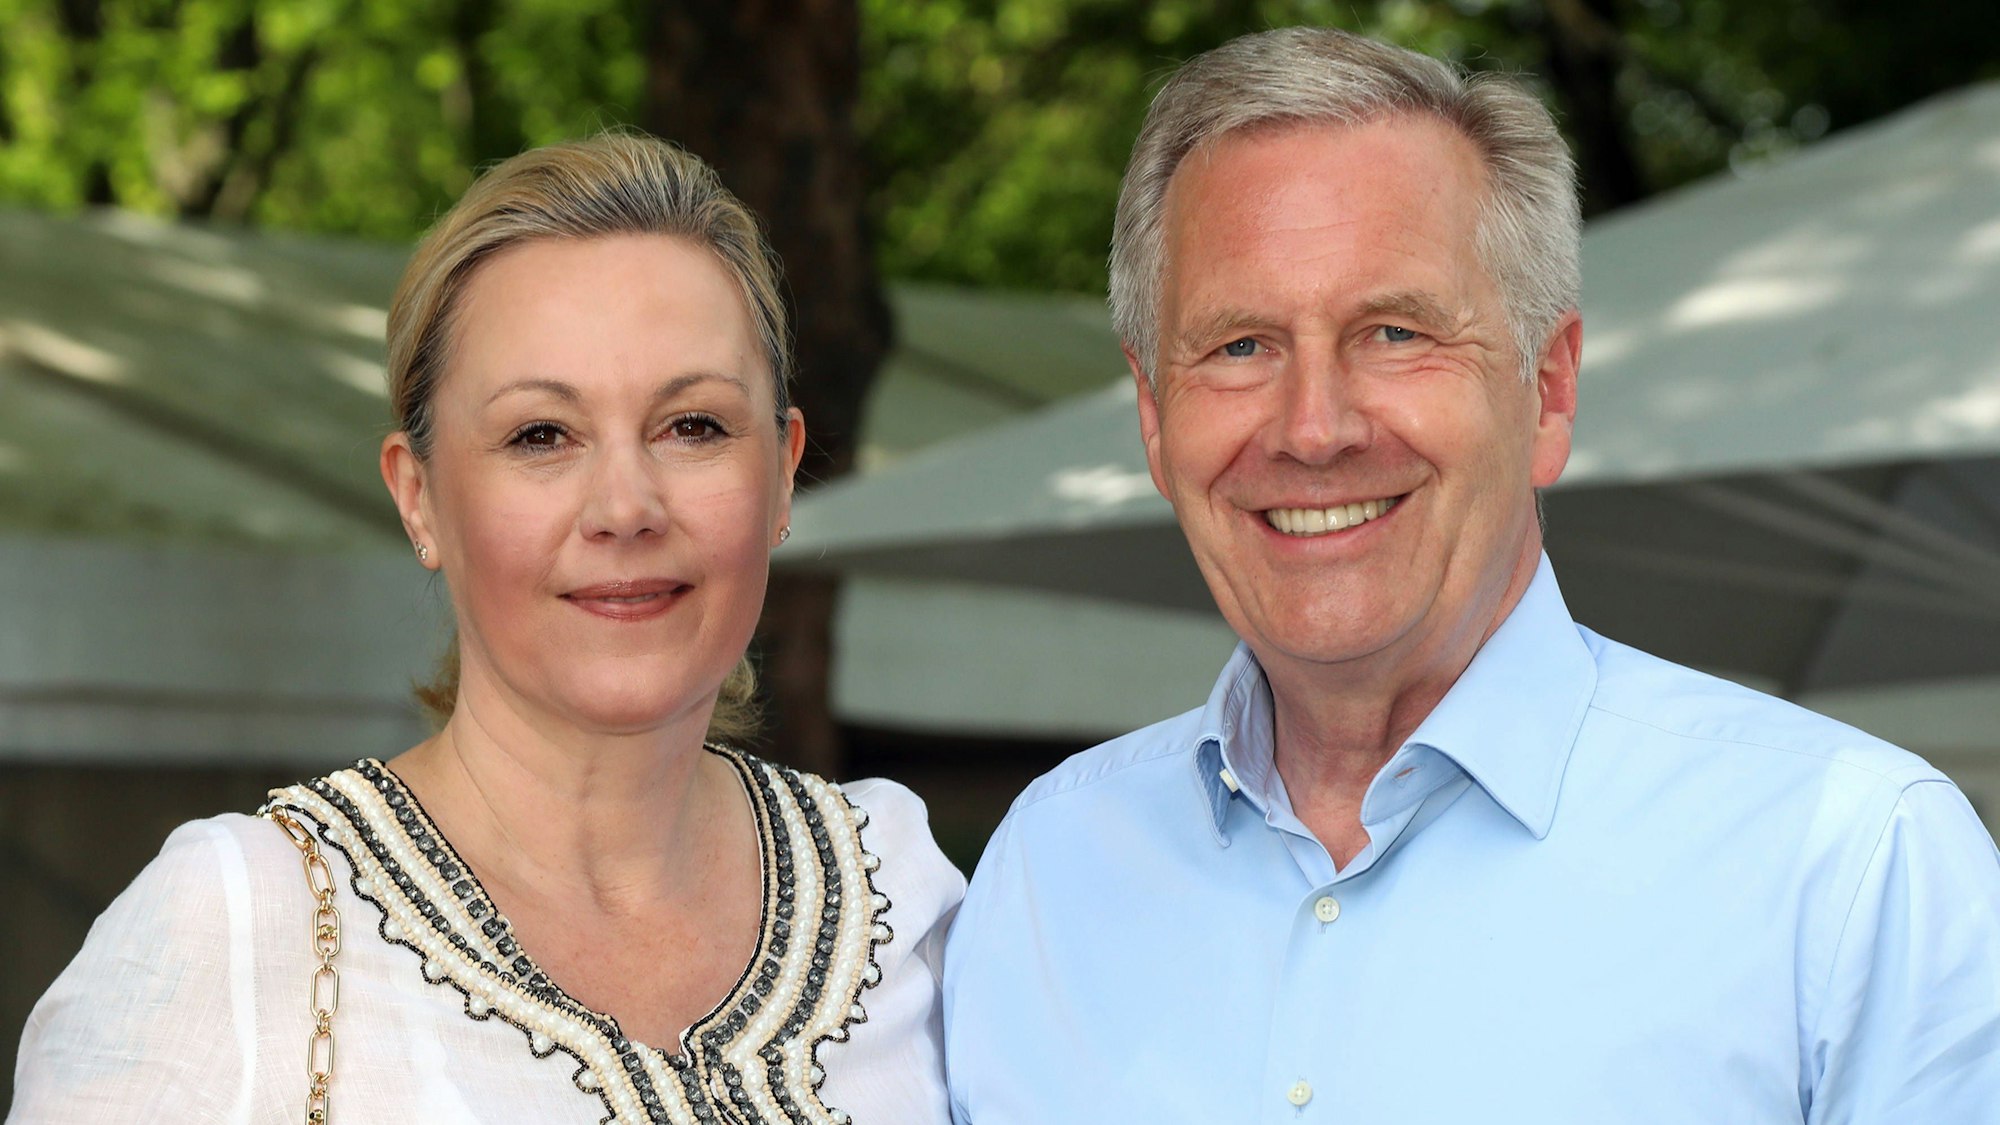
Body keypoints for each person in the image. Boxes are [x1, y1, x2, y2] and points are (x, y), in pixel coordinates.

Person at [941, 27, 2000, 1123]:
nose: (1313, 428)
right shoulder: (1046, 872)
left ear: (1546, 392)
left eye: (1394, 332)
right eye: (1239, 346)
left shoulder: (1852, 869)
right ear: (1155, 420)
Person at [11, 134, 962, 1124]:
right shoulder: (244, 921)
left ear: (781, 471)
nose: (625, 505)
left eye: (694, 426)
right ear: (418, 498)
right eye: (539, 435)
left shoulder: (889, 889)